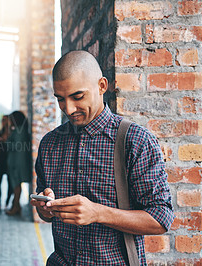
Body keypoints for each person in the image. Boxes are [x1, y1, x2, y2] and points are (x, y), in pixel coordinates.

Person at [30, 51, 174, 265]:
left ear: (102, 86)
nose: (68, 109)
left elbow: (161, 219)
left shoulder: (135, 141)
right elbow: (45, 216)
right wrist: (46, 209)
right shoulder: (50, 144)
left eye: (78, 97)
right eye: (60, 99)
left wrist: (98, 213)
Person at [5, 111, 32, 216]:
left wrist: (6, 141)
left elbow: (16, 146)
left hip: (17, 162)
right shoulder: (20, 130)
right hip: (18, 161)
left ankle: (15, 206)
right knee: (16, 184)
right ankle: (15, 205)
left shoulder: (19, 131)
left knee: (16, 184)